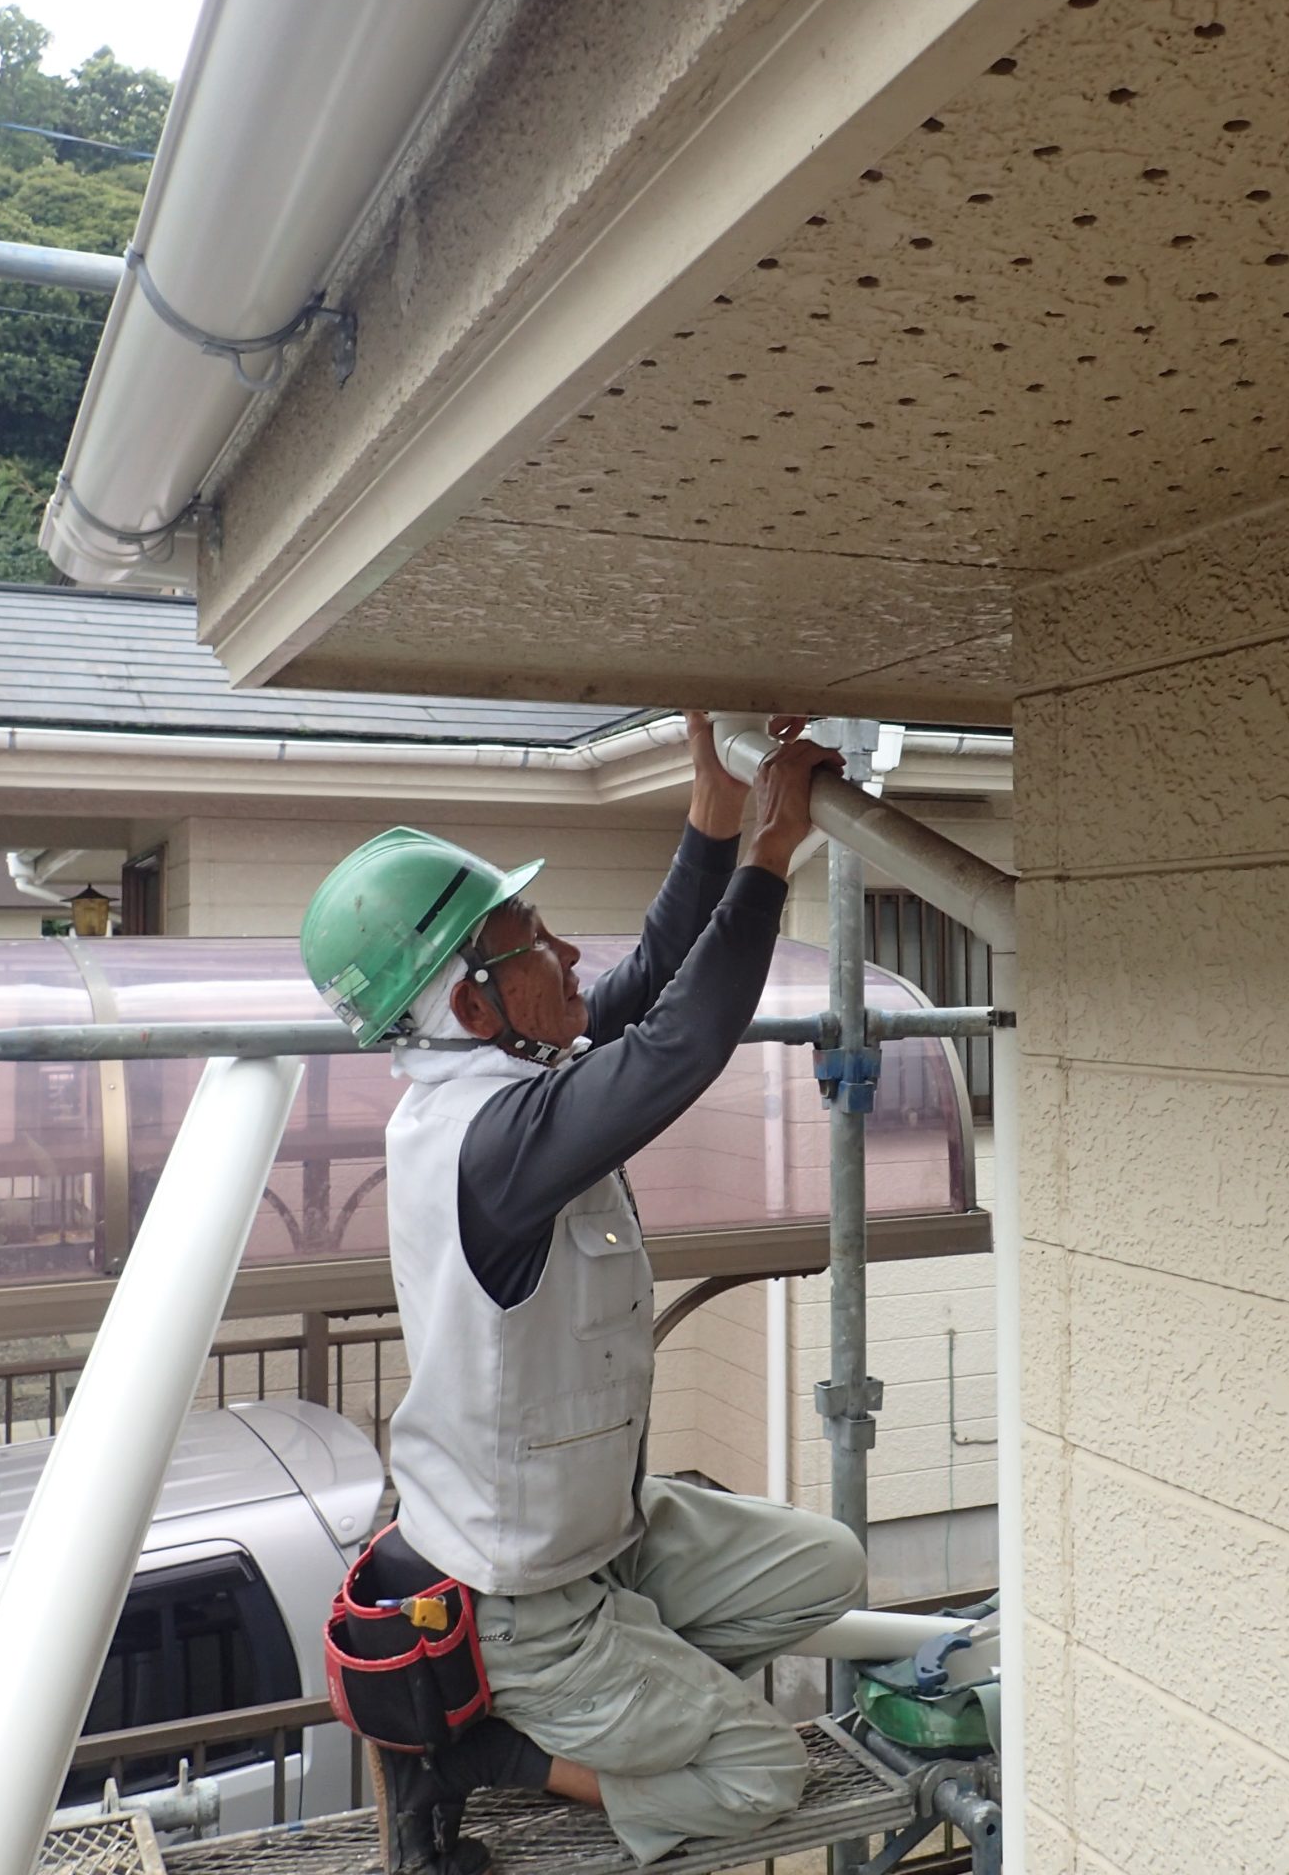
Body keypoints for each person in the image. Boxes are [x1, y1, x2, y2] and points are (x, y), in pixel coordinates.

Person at [300, 713, 863, 1867]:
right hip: (526, 1595)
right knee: (762, 1772)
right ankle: (484, 1750)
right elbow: (679, 1044)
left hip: (601, 1535)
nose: (568, 960)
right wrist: (770, 856)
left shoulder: (506, 1072)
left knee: (827, 1565)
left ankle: (633, 1684)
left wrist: (710, 825)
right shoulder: (493, 1140)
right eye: (536, 944)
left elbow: (649, 991)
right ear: (469, 1003)